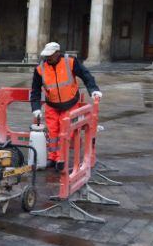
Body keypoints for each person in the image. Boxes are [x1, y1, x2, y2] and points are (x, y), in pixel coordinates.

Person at [30, 42, 102, 172]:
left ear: (58, 53)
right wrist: (36, 108)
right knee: (52, 133)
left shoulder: (70, 62)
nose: (48, 58)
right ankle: (52, 158)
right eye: (46, 56)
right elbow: (35, 90)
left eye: (50, 55)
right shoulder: (40, 69)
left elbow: (86, 76)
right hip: (51, 105)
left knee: (65, 132)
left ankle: (61, 159)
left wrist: (93, 90)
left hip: (69, 104)